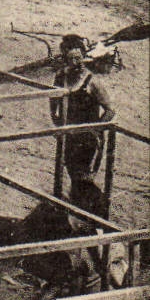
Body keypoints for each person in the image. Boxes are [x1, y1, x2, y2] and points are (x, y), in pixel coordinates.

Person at [51, 34, 114, 194]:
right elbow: (53, 103)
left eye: (79, 58)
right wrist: (58, 123)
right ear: (65, 60)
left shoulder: (92, 82)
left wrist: (94, 130)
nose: (76, 63)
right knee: (71, 173)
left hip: (88, 141)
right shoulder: (60, 78)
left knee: (85, 179)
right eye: (72, 59)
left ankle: (91, 212)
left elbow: (110, 110)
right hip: (69, 137)